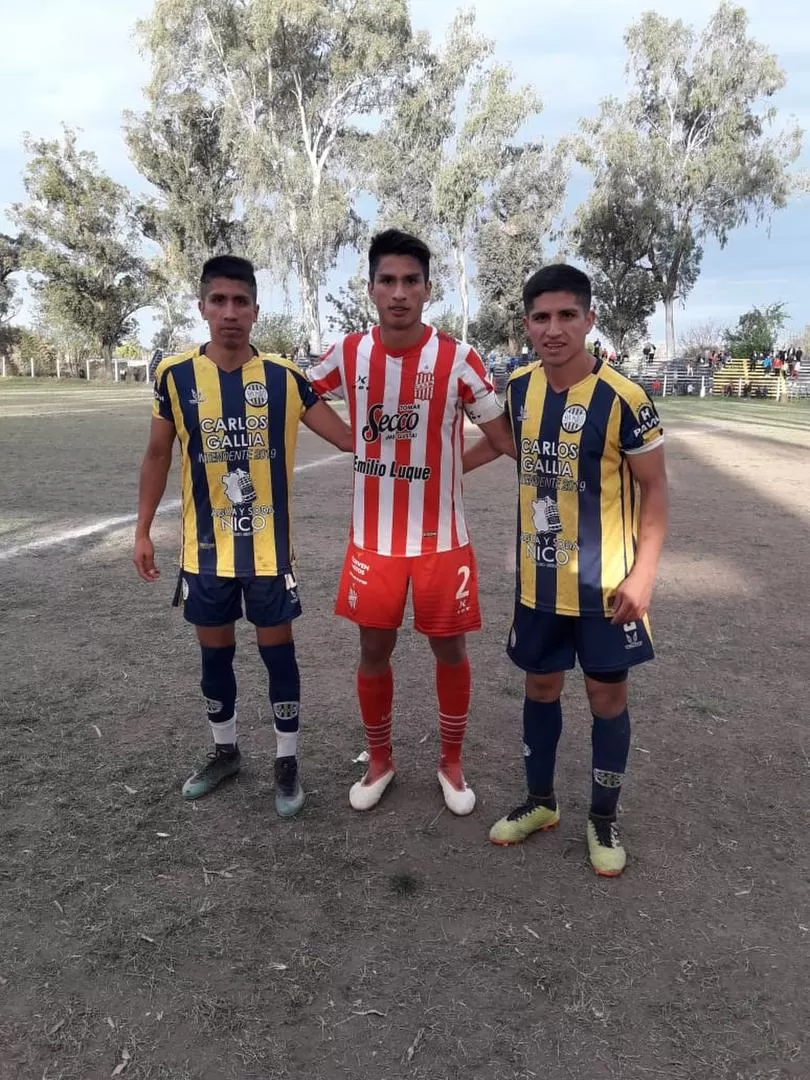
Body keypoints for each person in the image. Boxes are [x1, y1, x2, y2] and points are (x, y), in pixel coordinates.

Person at [463, 264, 668, 876]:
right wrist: (437, 470)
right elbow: (501, 445)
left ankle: (603, 815)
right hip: (539, 583)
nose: (553, 329)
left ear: (589, 319)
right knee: (540, 686)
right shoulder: (520, 390)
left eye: (566, 316)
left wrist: (644, 576)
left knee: (607, 696)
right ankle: (541, 801)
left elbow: (655, 492)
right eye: (541, 318)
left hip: (608, 589)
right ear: (527, 325)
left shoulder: (626, 399)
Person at [133, 255, 353, 815]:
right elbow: (158, 455)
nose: (230, 313)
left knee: (278, 656)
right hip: (205, 554)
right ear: (203, 307)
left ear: (256, 310)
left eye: (241, 302)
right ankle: (225, 752)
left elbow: (350, 439)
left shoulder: (283, 378)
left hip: (267, 554)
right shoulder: (175, 376)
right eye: (219, 301)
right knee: (216, 657)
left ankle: (287, 761)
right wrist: (142, 532)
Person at [307, 229, 515, 815]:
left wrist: (452, 467)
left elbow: (502, 440)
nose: (399, 292)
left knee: (449, 652)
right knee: (375, 651)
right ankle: (380, 761)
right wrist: (351, 440)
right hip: (373, 542)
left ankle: (451, 764)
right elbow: (303, 393)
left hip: (441, 543)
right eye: (387, 281)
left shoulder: (458, 359)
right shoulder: (349, 352)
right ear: (371, 288)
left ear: (428, 289)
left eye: (411, 281)